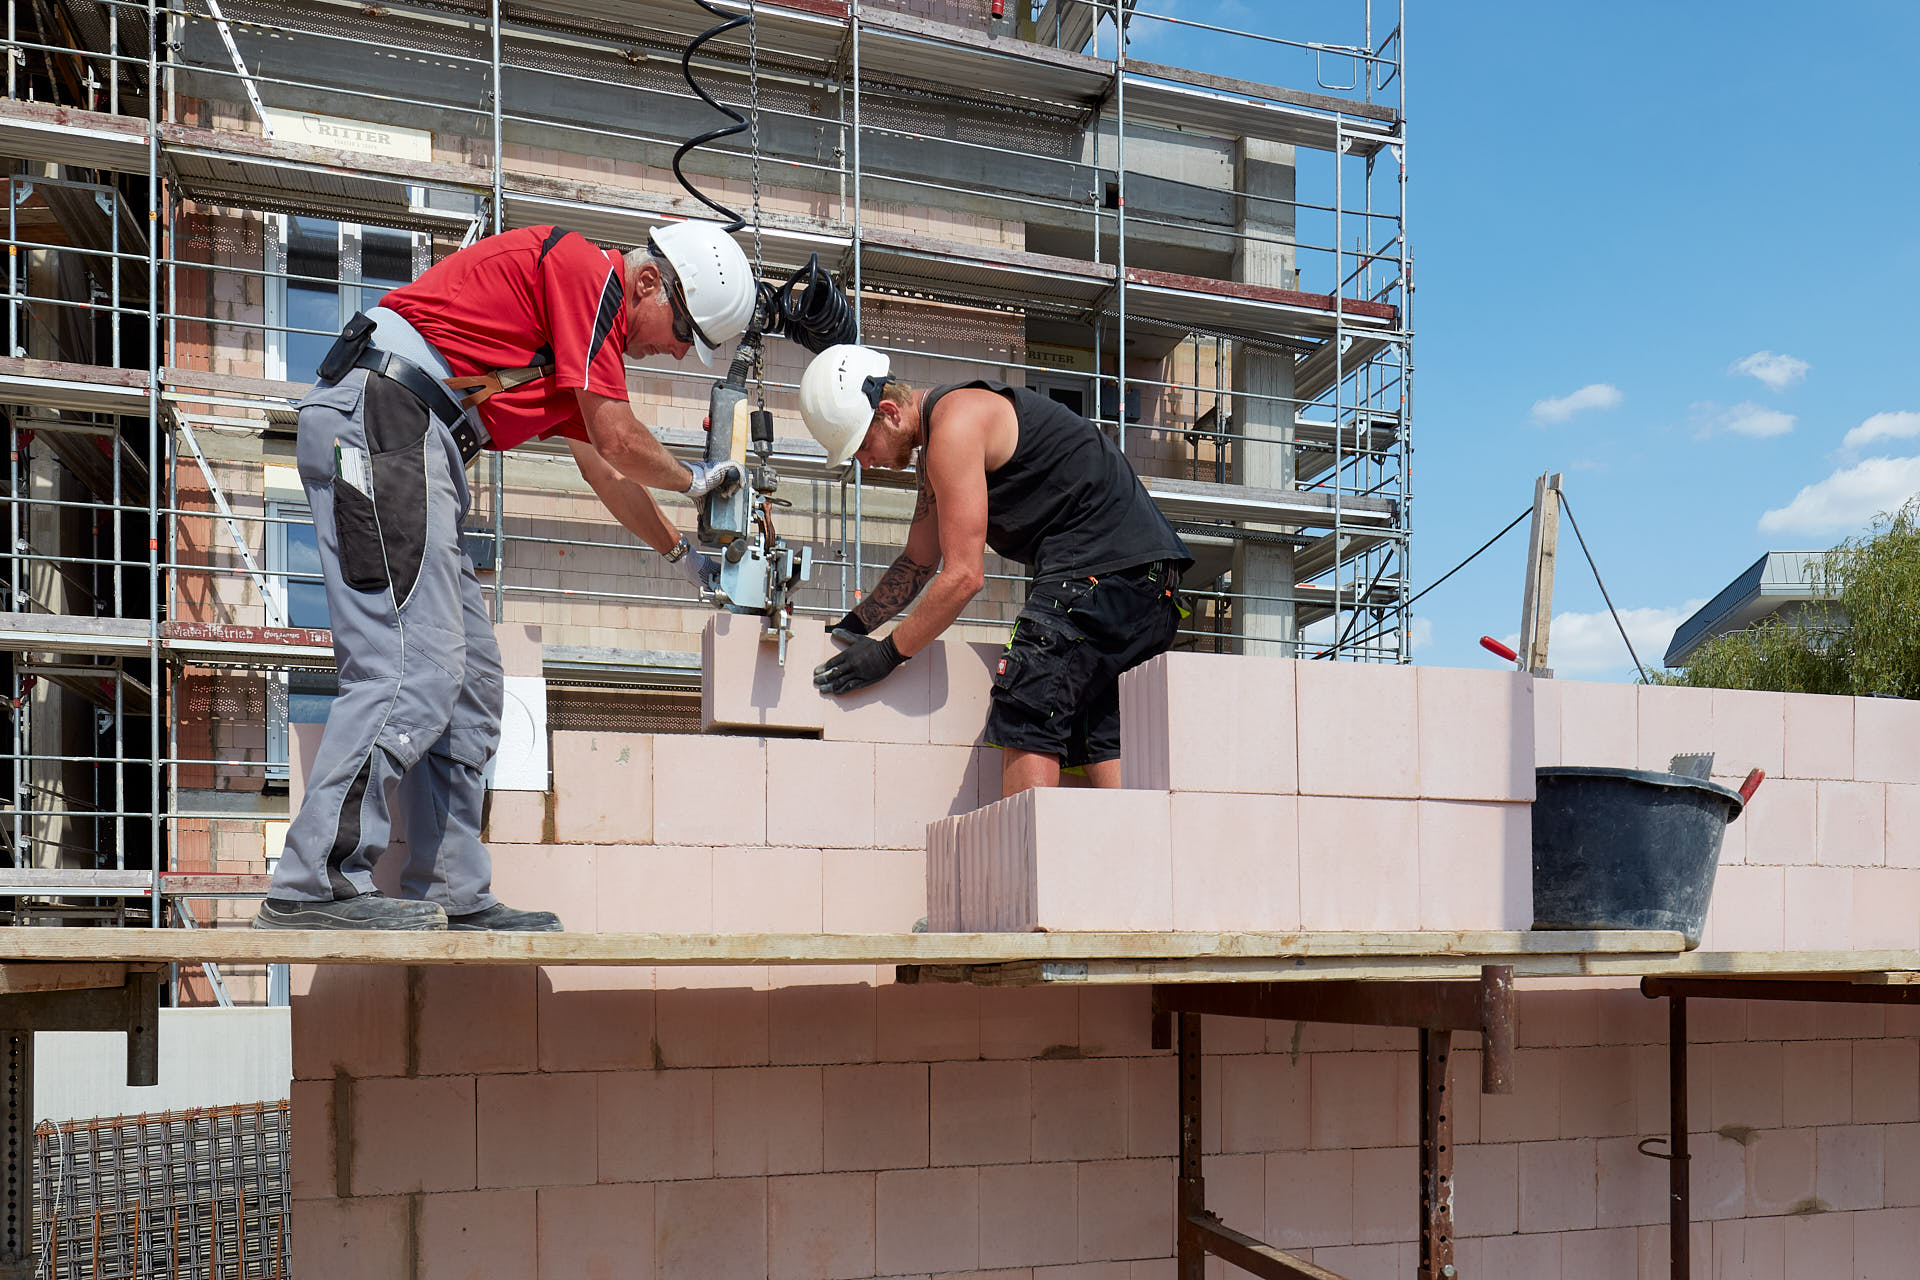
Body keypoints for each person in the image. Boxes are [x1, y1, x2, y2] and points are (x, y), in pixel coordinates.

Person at [253, 220, 755, 931]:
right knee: (411, 666)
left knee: (473, 683)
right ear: (649, 282)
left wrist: (686, 556)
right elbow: (619, 438)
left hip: (416, 438)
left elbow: (607, 470)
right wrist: (697, 479)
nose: (674, 352)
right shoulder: (587, 274)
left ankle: (451, 890)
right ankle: (313, 883)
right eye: (682, 332)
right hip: (384, 418)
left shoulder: (580, 346)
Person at [799, 344, 1192, 795]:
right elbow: (919, 560)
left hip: (1100, 575)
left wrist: (888, 655)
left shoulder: (955, 427)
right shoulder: (941, 440)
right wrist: (851, 628)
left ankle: (1029, 843)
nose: (865, 463)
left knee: (1028, 707)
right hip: (1146, 585)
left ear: (888, 413)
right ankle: (1127, 841)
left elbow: (964, 577)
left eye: (862, 446)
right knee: (1093, 730)